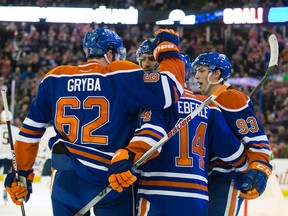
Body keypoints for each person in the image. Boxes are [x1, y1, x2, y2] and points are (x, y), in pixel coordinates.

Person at [4, 27, 185, 216]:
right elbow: (170, 87)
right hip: (113, 175)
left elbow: (30, 130)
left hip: (67, 177)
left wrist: (22, 172)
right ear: (109, 53)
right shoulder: (121, 72)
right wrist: (168, 47)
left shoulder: (55, 77)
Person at [107, 53, 248, 216]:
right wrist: (248, 169)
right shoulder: (208, 106)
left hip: (156, 193)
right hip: (196, 196)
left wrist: (128, 156)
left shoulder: (157, 102)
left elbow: (150, 137)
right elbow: (231, 149)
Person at [192, 52, 272, 216]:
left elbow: (257, 141)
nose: (196, 76)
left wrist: (259, 167)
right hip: (205, 176)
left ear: (216, 73)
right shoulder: (202, 100)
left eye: (201, 70)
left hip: (228, 177)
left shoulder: (231, 98)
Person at [0, 111, 20, 203]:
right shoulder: (15, 129)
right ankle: (5, 192)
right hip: (10, 156)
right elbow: (19, 144)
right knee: (7, 176)